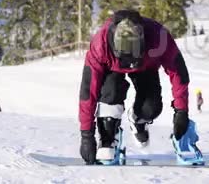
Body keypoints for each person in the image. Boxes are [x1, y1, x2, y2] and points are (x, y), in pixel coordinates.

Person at [78, 10, 191, 164]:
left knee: (151, 109)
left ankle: (138, 118)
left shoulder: (159, 37)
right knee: (111, 93)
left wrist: (181, 112)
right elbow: (88, 91)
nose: (129, 64)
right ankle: (108, 139)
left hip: (146, 67)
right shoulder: (100, 46)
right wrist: (86, 135)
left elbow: (179, 74)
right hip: (112, 69)